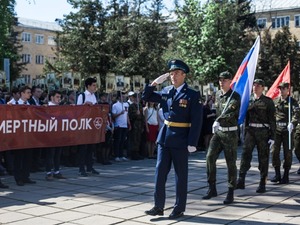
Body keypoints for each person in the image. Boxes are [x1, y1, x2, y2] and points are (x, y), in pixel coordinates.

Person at [143, 59, 202, 219]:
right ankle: (158, 206)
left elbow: (197, 121)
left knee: (180, 176)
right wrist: (155, 82)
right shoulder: (167, 91)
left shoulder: (192, 95)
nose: (173, 76)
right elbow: (146, 96)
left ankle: (179, 208)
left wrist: (192, 142)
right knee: (159, 172)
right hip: (165, 138)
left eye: (176, 73)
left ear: (184, 75)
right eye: (171, 73)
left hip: (181, 139)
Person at [202, 71, 240, 205]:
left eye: (224, 80)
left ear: (230, 82)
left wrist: (217, 120)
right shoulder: (218, 94)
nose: (221, 82)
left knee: (231, 163)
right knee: (209, 157)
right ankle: (212, 188)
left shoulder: (235, 96)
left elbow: (230, 112)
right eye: (220, 80)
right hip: (218, 133)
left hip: (230, 133)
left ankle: (230, 192)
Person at [236, 79, 276, 193]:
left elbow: (272, 120)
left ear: (263, 88)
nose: (255, 87)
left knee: (263, 157)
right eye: (254, 85)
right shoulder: (248, 100)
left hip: (263, 132)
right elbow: (245, 117)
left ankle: (262, 182)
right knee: (245, 154)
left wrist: (273, 136)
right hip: (251, 131)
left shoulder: (268, 101)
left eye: (258, 85)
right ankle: (241, 180)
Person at [271, 82, 298, 184]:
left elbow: (297, 114)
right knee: (274, 152)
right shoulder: (275, 101)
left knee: (287, 153)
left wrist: (292, 123)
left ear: (288, 90)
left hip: (287, 130)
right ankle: (277, 173)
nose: (281, 90)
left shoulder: (292, 101)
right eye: (280, 88)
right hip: (277, 129)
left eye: (283, 88)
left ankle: (286, 175)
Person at [12, 86, 37, 186]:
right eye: (28, 92)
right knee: (18, 158)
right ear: (22, 93)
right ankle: (18, 178)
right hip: (18, 136)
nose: (30, 94)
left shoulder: (31, 104)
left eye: (30, 93)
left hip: (28, 135)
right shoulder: (14, 104)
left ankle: (26, 176)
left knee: (28, 157)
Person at [76, 77, 100, 176]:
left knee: (91, 148)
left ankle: (90, 166)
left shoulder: (94, 96)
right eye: (93, 85)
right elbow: (77, 110)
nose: (95, 87)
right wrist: (85, 105)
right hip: (84, 125)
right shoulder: (82, 95)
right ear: (88, 86)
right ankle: (81, 168)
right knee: (83, 148)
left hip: (92, 125)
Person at [45, 90, 66, 181]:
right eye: (57, 97)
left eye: (60, 97)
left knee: (58, 153)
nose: (59, 99)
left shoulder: (60, 108)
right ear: (51, 97)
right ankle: (48, 172)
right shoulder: (47, 107)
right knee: (50, 154)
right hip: (49, 135)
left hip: (59, 134)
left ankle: (57, 171)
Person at [112, 92, 130, 162]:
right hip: (118, 125)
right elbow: (113, 116)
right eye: (122, 96)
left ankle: (121, 155)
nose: (124, 97)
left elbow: (127, 115)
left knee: (123, 141)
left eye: (124, 96)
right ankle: (116, 155)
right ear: (119, 97)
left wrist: (129, 123)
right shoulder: (115, 105)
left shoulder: (126, 104)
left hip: (124, 125)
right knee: (118, 141)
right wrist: (120, 113)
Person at [128, 93, 145, 160]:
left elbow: (142, 116)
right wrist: (135, 114)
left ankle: (137, 153)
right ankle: (133, 154)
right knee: (134, 139)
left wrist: (143, 125)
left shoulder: (140, 106)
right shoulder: (131, 106)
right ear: (134, 98)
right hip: (134, 124)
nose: (138, 99)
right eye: (137, 98)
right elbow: (130, 116)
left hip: (139, 124)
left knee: (138, 139)